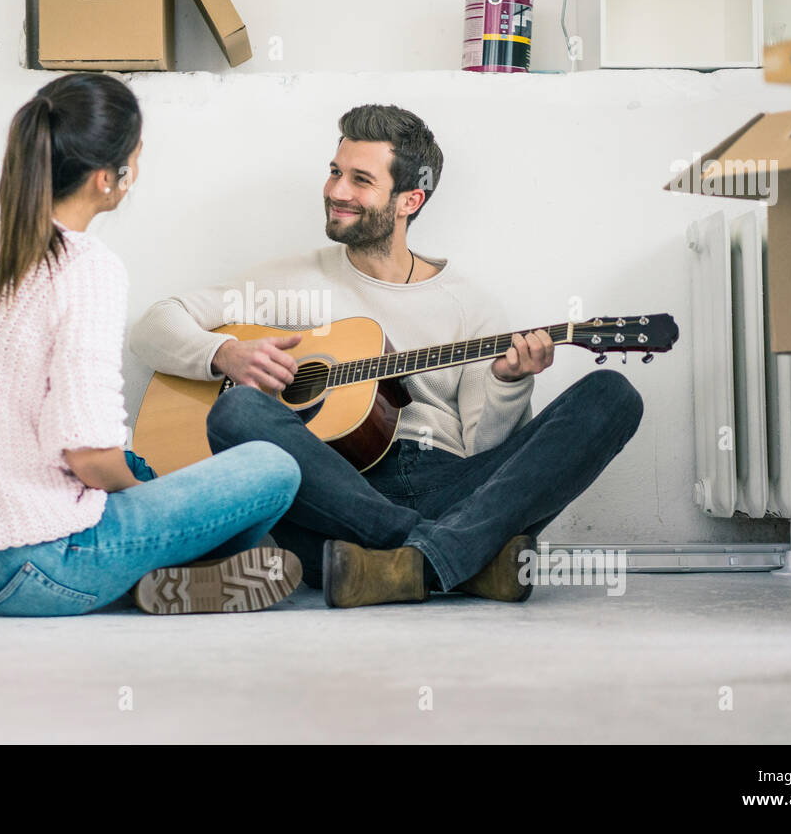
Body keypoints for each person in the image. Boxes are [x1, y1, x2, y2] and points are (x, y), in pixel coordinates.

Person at [129, 103, 644, 609]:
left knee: (611, 396)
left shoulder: (470, 304)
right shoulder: (291, 280)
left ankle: (406, 565)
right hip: (335, 496)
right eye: (334, 173)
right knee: (237, 409)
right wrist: (225, 353)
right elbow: (155, 324)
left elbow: (482, 447)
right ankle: (452, 559)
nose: (336, 191)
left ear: (409, 200)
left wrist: (510, 382)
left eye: (359, 180)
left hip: (451, 486)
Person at [0, 73, 303, 617]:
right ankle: (174, 571)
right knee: (271, 466)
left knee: (138, 461)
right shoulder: (85, 266)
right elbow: (88, 456)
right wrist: (142, 496)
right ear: (104, 178)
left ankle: (167, 573)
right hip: (36, 564)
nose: (137, 171)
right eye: (135, 157)